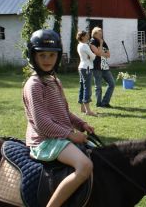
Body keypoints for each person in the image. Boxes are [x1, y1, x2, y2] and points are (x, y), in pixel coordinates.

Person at [22, 29, 95, 207]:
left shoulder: (54, 80)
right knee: (85, 166)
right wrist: (70, 135)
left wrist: (81, 123)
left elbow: (63, 112)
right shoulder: (34, 85)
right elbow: (42, 123)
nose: (47, 60)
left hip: (58, 136)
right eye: (42, 55)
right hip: (44, 141)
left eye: (52, 55)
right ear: (33, 57)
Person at [90, 27, 115, 108]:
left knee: (112, 84)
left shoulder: (103, 41)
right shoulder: (92, 41)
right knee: (98, 86)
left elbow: (108, 55)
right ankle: (98, 103)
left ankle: (105, 102)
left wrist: (102, 52)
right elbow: (97, 53)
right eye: (99, 33)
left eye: (101, 33)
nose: (101, 35)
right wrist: (100, 45)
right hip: (96, 67)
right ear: (95, 34)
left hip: (105, 67)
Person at [76, 31, 97, 116]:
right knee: (87, 87)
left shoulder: (79, 45)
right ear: (83, 37)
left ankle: (82, 108)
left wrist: (90, 56)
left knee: (82, 87)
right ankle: (88, 110)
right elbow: (93, 56)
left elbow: (90, 56)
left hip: (81, 67)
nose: (88, 36)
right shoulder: (85, 45)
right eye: (87, 35)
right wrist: (91, 56)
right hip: (87, 67)